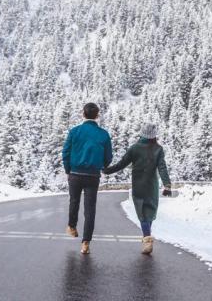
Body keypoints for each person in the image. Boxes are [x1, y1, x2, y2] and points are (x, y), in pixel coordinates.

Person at [103, 122, 171, 255]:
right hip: (152, 185)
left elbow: (122, 164)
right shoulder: (158, 149)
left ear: (142, 133)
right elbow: (162, 167)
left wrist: (107, 171)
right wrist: (167, 185)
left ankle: (147, 238)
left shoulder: (135, 148)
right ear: (154, 135)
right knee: (150, 212)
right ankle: (147, 237)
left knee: (142, 213)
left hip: (138, 185)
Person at [62, 102, 113, 255]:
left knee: (74, 201)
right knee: (90, 209)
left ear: (82, 114)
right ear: (97, 116)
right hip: (93, 175)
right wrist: (101, 165)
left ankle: (72, 227)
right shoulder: (103, 134)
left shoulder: (74, 131)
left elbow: (65, 152)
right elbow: (108, 156)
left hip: (75, 174)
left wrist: (68, 170)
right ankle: (85, 243)